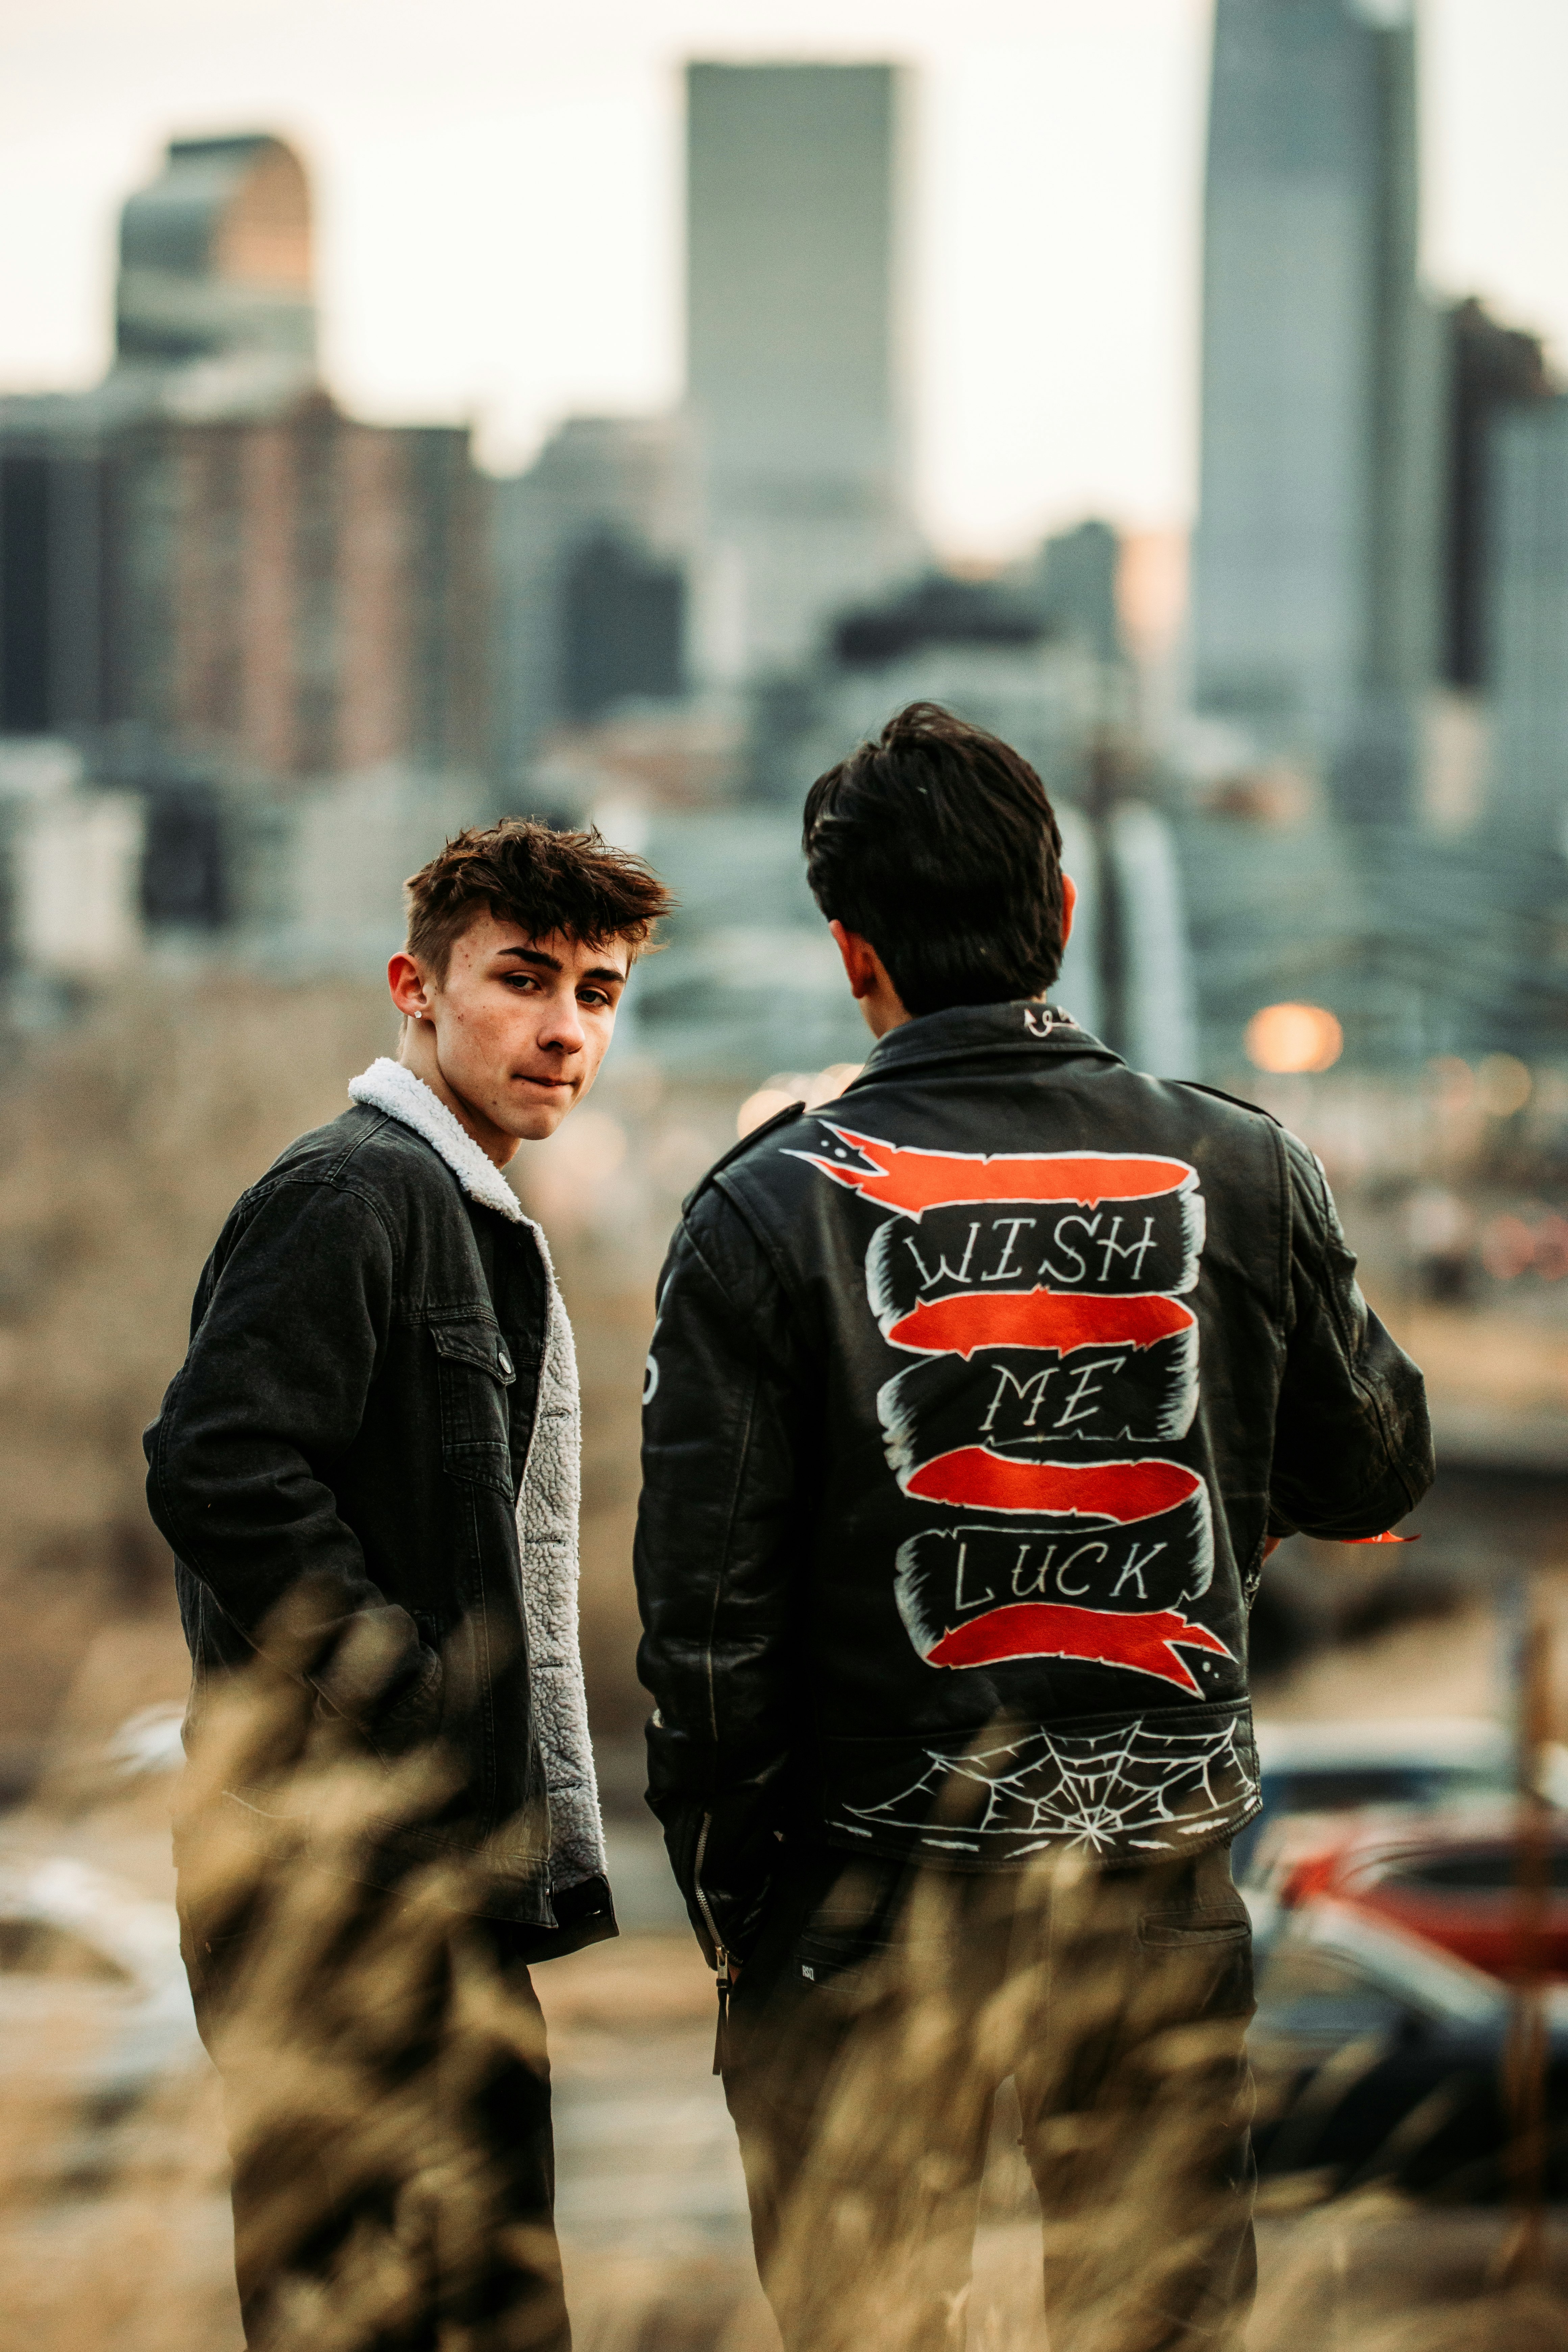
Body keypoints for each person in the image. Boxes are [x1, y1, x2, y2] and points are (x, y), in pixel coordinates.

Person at [634, 704, 1432, 2352]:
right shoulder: (1245, 1162)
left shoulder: (759, 1207)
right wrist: (1231, 1480)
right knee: (1154, 2319)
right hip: (1150, 1876)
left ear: (851, 953)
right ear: (1059, 915)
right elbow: (1378, 1467)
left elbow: (703, 1632)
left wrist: (742, 1921)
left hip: (856, 1888)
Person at [146, 818, 670, 2351]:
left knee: (483, 2305)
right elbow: (217, 1465)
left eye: (599, 992)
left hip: (429, 1870)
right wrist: (415, 1696)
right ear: (416, 989)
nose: (565, 1028)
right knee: (361, 2311)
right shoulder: (356, 1194)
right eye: (521, 979)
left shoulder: (463, 1215)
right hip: (334, 1880)